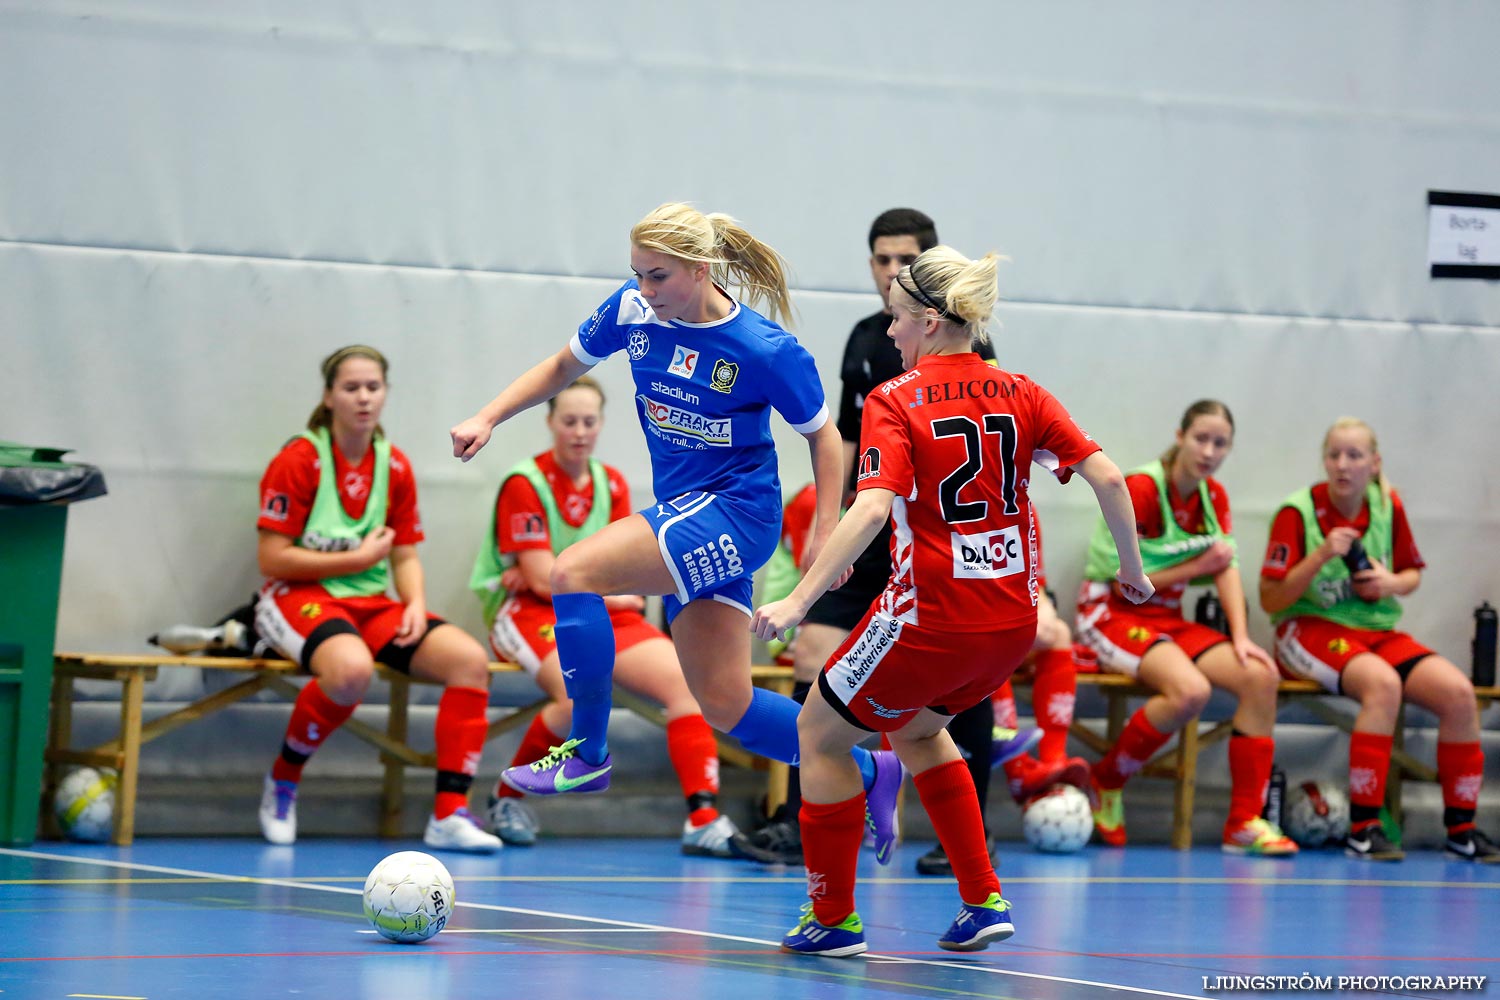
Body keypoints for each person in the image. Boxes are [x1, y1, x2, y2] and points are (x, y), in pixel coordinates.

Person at [450, 202, 906, 860]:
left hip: (737, 512)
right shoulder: (634, 312)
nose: (644, 290)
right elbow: (560, 368)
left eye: (658, 276)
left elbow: (824, 437)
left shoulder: (762, 347)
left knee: (572, 571)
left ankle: (588, 749)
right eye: (636, 274)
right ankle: (870, 770)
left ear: (699, 270)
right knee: (726, 704)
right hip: (685, 512)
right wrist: (488, 416)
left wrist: (824, 532)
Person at [752, 245, 1152, 957]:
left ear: (931, 322)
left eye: (899, 320)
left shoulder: (894, 398)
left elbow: (872, 507)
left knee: (817, 734)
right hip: (1010, 624)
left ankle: (834, 917)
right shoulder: (1023, 390)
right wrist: (1132, 569)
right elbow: (1111, 479)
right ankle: (981, 898)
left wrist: (800, 599)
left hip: (930, 616)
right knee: (916, 732)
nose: (892, 333)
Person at [730, 207, 1039, 872]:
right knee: (812, 647)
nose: (891, 271)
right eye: (881, 259)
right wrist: (824, 527)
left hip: (932, 544)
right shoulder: (867, 338)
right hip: (869, 525)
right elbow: (843, 441)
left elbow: (998, 470)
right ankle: (803, 811)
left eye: (905, 260)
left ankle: (964, 834)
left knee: (951, 693)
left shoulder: (968, 354)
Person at [470, 375, 738, 856]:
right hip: (533, 613)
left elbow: (622, 572)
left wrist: (615, 593)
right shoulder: (524, 482)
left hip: (602, 609)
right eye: (569, 421)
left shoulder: (610, 482)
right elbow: (537, 579)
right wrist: (616, 594)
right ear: (550, 423)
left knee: (686, 686)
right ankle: (505, 798)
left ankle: (703, 816)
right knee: (576, 695)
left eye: (589, 422)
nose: (579, 431)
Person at [254, 345, 500, 852]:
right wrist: (356, 560)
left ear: (385, 394)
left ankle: (450, 813)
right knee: (350, 671)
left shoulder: (396, 466)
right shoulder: (299, 459)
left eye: (373, 387)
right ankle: (282, 780)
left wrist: (413, 602)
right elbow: (273, 559)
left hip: (371, 605)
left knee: (470, 662)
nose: (363, 398)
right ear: (328, 397)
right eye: (351, 388)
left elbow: (404, 554)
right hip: (299, 598)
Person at [1259, 417, 1498, 862]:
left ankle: (1461, 831)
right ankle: (1364, 827)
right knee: (1383, 685)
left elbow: (1411, 574)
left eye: (1354, 456)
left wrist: (1389, 582)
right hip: (1308, 629)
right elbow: (1271, 599)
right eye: (1334, 455)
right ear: (1324, 461)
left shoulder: (1388, 504)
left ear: (1374, 462)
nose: (1342, 465)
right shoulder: (1298, 512)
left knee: (1460, 695)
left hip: (1375, 631)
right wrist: (1321, 555)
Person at [1075, 400, 1296, 856]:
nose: (1209, 451)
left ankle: (1243, 824)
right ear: (1180, 437)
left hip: (1164, 617)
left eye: (1220, 443)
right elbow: (1123, 581)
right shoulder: (1140, 487)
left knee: (1261, 676)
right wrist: (1198, 564)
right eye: (1201, 438)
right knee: (1190, 690)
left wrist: (1240, 638)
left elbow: (1226, 566)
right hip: (1110, 611)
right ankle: (1106, 779)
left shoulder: (1213, 498)